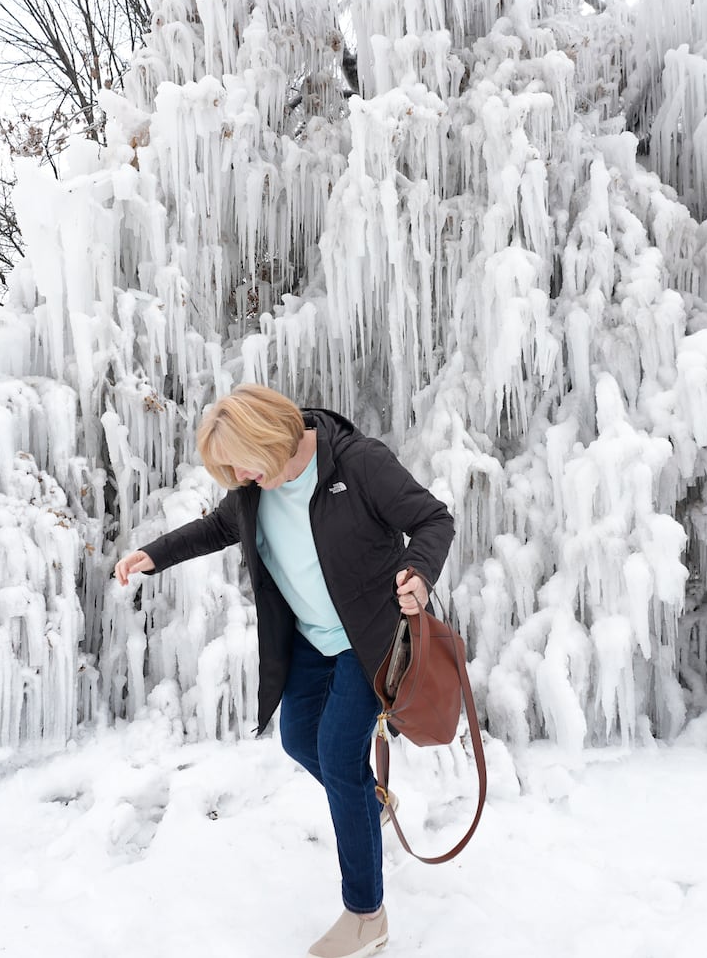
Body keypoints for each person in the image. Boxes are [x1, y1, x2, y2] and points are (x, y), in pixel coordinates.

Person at [114, 384, 455, 958]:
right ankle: (367, 809)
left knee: (341, 755)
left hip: (367, 642)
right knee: (300, 741)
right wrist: (154, 554)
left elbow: (432, 520)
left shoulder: (358, 464)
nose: (239, 478)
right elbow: (217, 528)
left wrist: (418, 575)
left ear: (271, 437)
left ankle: (366, 914)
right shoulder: (253, 488)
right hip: (308, 643)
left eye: (242, 463)